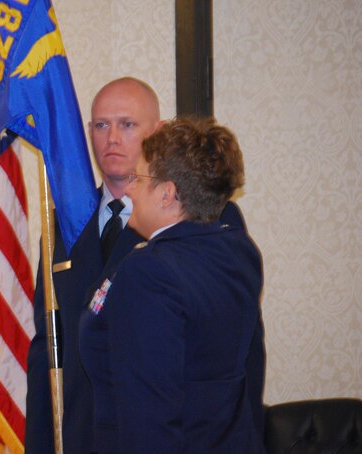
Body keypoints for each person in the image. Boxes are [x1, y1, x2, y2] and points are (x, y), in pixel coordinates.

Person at [79, 117, 266, 453]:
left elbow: (147, 415)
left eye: (138, 178)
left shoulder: (149, 272)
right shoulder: (238, 251)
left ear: (167, 194)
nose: (130, 189)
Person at [25, 77, 163, 453]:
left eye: (128, 124)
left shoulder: (177, 222)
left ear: (159, 132)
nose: (112, 138)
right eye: (102, 125)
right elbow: (47, 345)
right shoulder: (63, 224)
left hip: (149, 434)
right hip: (78, 434)